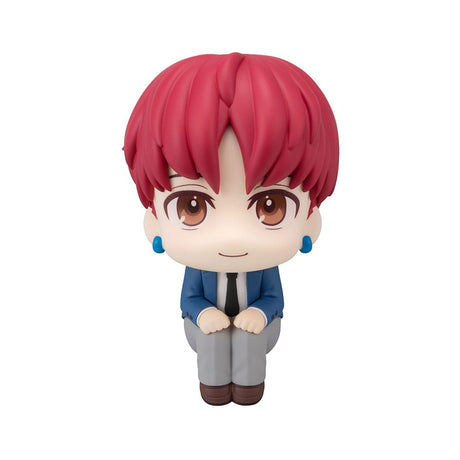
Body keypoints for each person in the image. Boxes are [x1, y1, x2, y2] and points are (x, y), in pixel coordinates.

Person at [123, 52, 339, 405]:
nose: (232, 236)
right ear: (154, 222)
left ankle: (249, 389)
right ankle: (213, 389)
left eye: (271, 206)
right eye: (191, 206)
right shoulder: (199, 268)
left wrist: (260, 313)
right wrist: (204, 313)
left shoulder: (264, 267)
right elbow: (189, 298)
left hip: (261, 328)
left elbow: (274, 298)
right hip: (203, 328)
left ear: (311, 222)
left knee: (248, 337)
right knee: (213, 338)